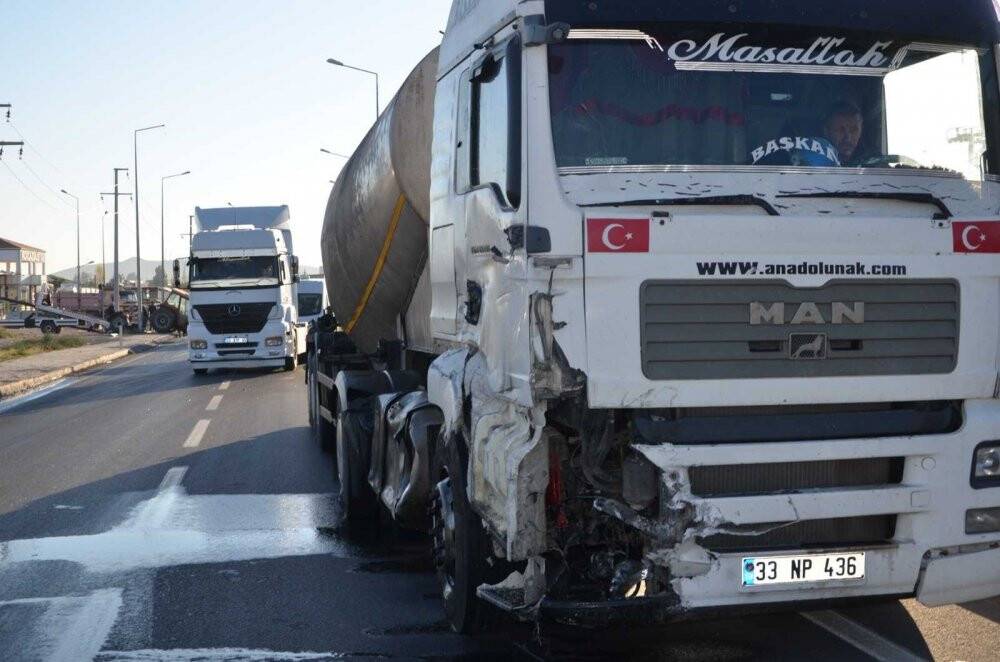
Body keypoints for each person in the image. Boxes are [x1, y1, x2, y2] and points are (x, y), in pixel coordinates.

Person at [823, 100, 865, 166]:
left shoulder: (874, 163)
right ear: (826, 132)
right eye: (840, 130)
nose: (848, 138)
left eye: (854, 130)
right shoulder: (815, 162)